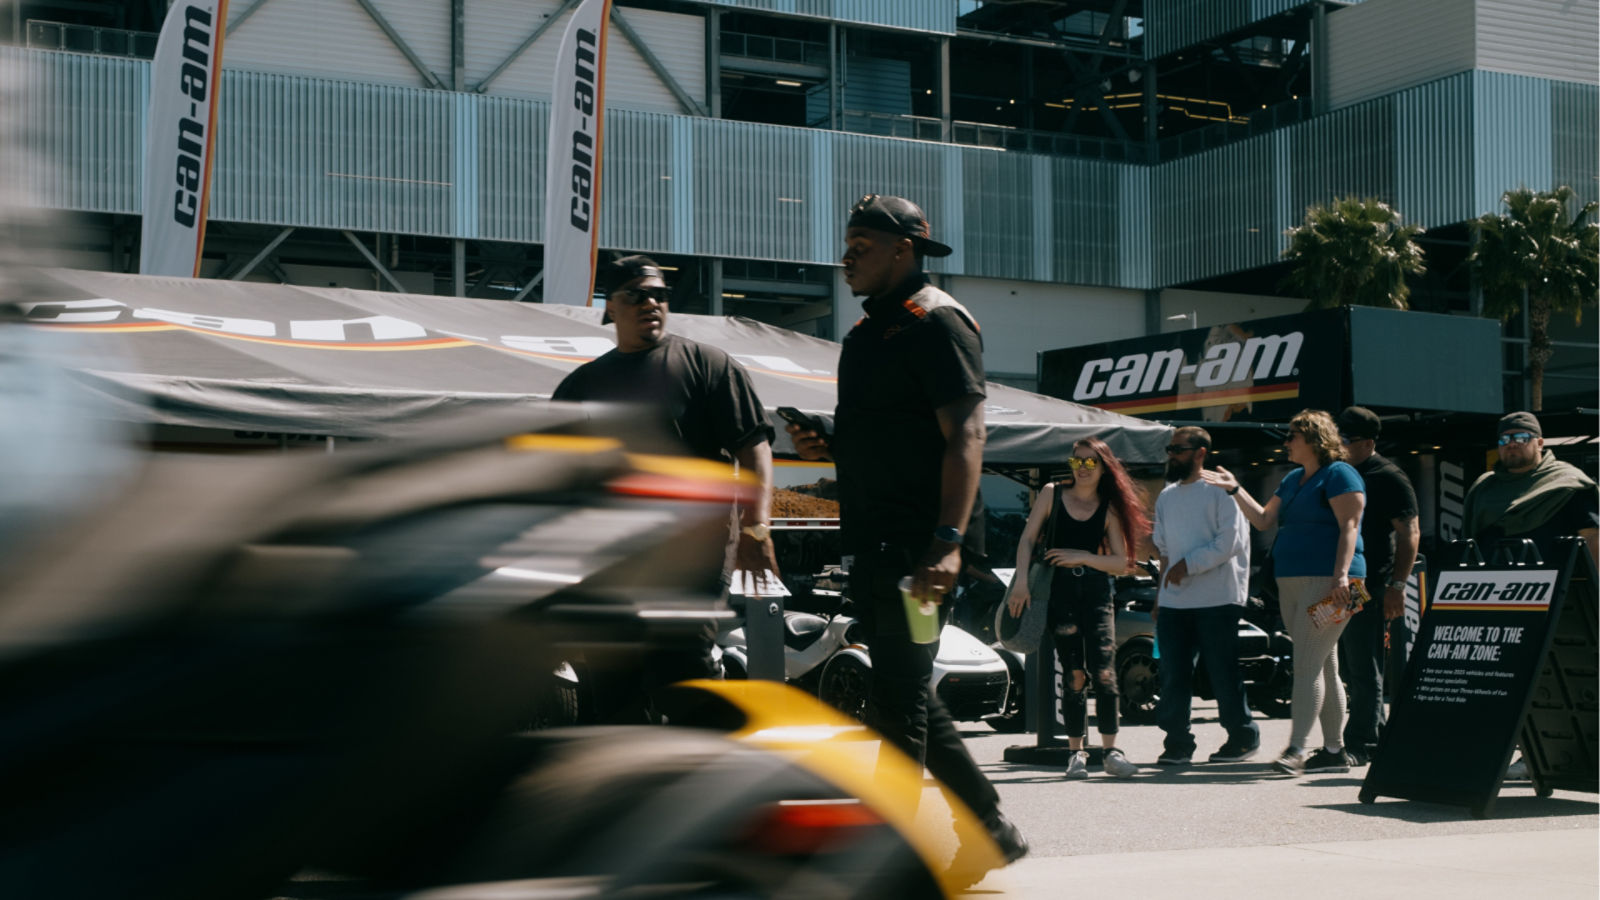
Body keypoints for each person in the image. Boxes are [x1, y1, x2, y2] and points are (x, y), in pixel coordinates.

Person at [788, 194, 1027, 869]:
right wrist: (826, 444)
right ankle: (985, 829)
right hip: (876, 546)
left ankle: (908, 850)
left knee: (897, 696)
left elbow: (967, 435)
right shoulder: (867, 335)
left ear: (906, 249)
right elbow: (892, 440)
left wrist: (948, 542)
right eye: (848, 241)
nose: (848, 254)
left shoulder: (938, 323)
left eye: (863, 242)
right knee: (904, 685)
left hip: (920, 555)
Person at [553, 255, 778, 719]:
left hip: (692, 559)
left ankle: (710, 782)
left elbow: (753, 449)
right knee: (613, 695)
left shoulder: (706, 364)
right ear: (610, 307)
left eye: (659, 294)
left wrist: (757, 530)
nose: (651, 302)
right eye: (636, 295)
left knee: (684, 678)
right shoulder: (581, 386)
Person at [1203, 409, 1366, 776]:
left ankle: (1297, 749)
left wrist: (1341, 578)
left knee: (1307, 662)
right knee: (1325, 664)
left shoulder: (1340, 474)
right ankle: (1335, 752)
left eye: (1293, 435)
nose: (1287, 441)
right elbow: (1262, 519)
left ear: (1314, 438)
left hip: (1338, 585)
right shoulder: (1293, 478)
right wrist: (1234, 489)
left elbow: (1350, 527)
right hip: (1294, 582)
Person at [1007, 438, 1149, 779]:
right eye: (1077, 462)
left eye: (1090, 462)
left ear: (1103, 467)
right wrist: (1021, 581)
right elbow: (1027, 539)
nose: (1083, 469)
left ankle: (1112, 751)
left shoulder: (1109, 506)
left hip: (1097, 592)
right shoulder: (1052, 493)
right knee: (1073, 673)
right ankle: (1077, 753)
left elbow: (1123, 563)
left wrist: (1083, 556)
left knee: (1104, 671)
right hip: (1059, 591)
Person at [1149, 426, 1259, 766]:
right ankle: (1178, 743)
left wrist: (1188, 565)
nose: (1171, 455)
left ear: (1200, 453)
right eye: (1169, 449)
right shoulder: (1166, 496)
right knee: (1172, 673)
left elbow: (1231, 543)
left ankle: (1242, 737)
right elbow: (1164, 551)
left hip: (1218, 597)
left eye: (1178, 449)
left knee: (1222, 671)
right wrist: (1159, 595)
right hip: (1174, 601)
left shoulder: (1221, 491)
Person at [1333, 407, 1419, 767]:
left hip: (1367, 583)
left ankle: (1363, 742)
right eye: (1336, 437)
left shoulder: (1387, 475)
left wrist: (1398, 585)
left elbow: (1409, 533)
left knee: (1363, 664)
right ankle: (1371, 736)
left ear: (1368, 442)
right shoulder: (1339, 472)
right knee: (1340, 663)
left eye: (1346, 440)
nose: (1338, 445)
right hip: (1337, 581)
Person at [1461, 411, 1598, 570]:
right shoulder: (1483, 487)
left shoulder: (1568, 482)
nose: (1511, 444)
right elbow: (1467, 541)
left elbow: (1592, 536)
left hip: (1554, 587)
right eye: (1504, 439)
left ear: (1540, 443)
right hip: (1489, 585)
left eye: (1521, 438)